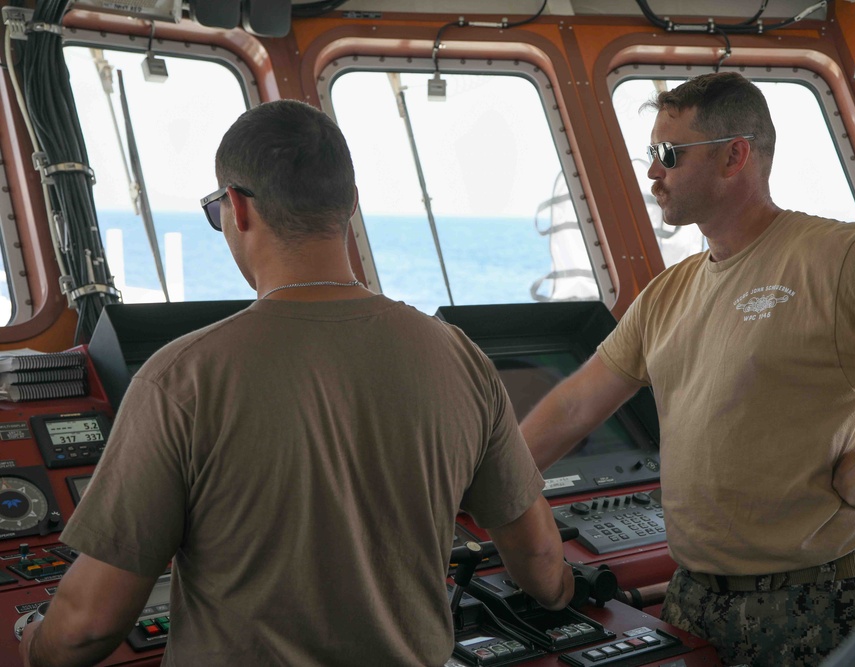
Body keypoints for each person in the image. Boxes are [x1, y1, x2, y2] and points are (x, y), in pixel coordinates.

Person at [20, 100, 574, 667]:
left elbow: (88, 627)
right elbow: (540, 561)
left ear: (235, 208)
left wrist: (31, 644)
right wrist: (568, 595)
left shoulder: (179, 377)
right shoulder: (460, 355)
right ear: (350, 206)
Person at [521, 72, 855, 666]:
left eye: (669, 155)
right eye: (652, 154)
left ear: (734, 157)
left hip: (824, 598)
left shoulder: (837, 257)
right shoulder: (670, 291)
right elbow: (575, 406)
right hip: (698, 598)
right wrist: (480, 487)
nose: (653, 173)